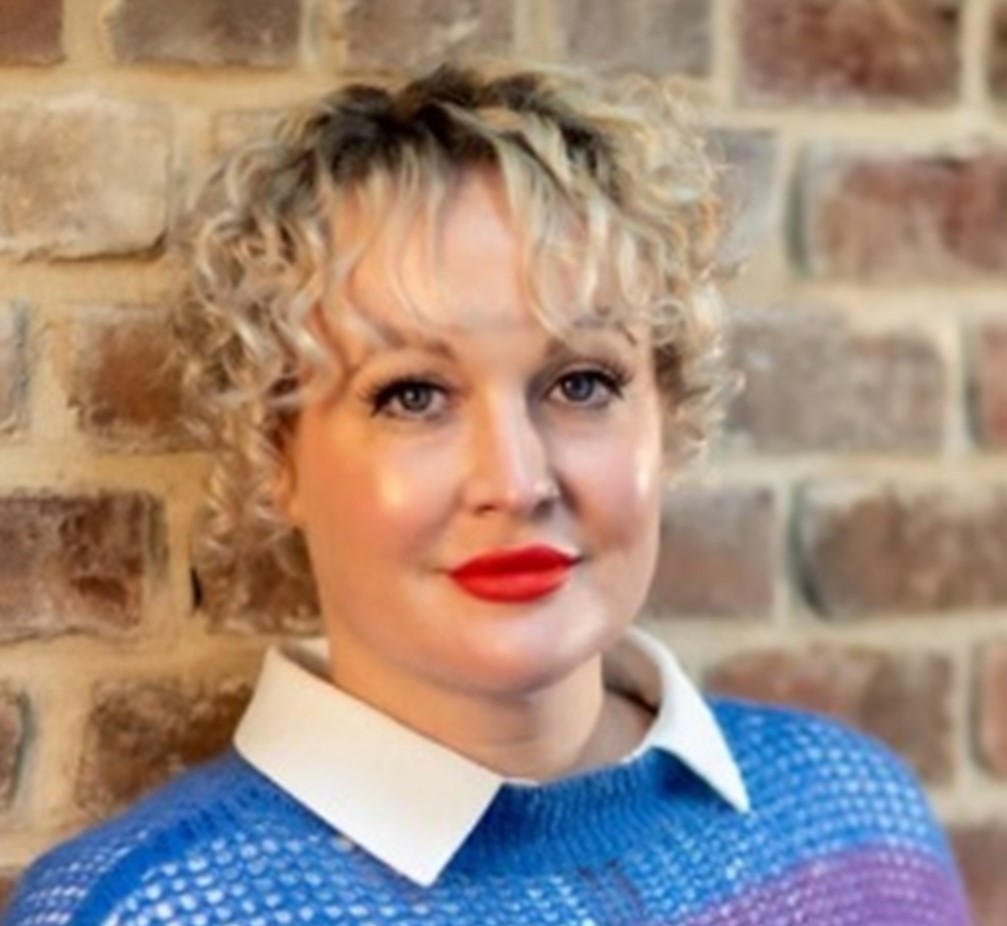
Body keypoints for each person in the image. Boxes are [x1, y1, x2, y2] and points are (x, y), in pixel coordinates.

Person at [4, 63, 971, 926]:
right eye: (412, 394)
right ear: (276, 450)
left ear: (667, 415)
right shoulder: (142, 912)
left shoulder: (856, 822)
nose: (513, 483)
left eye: (581, 383)